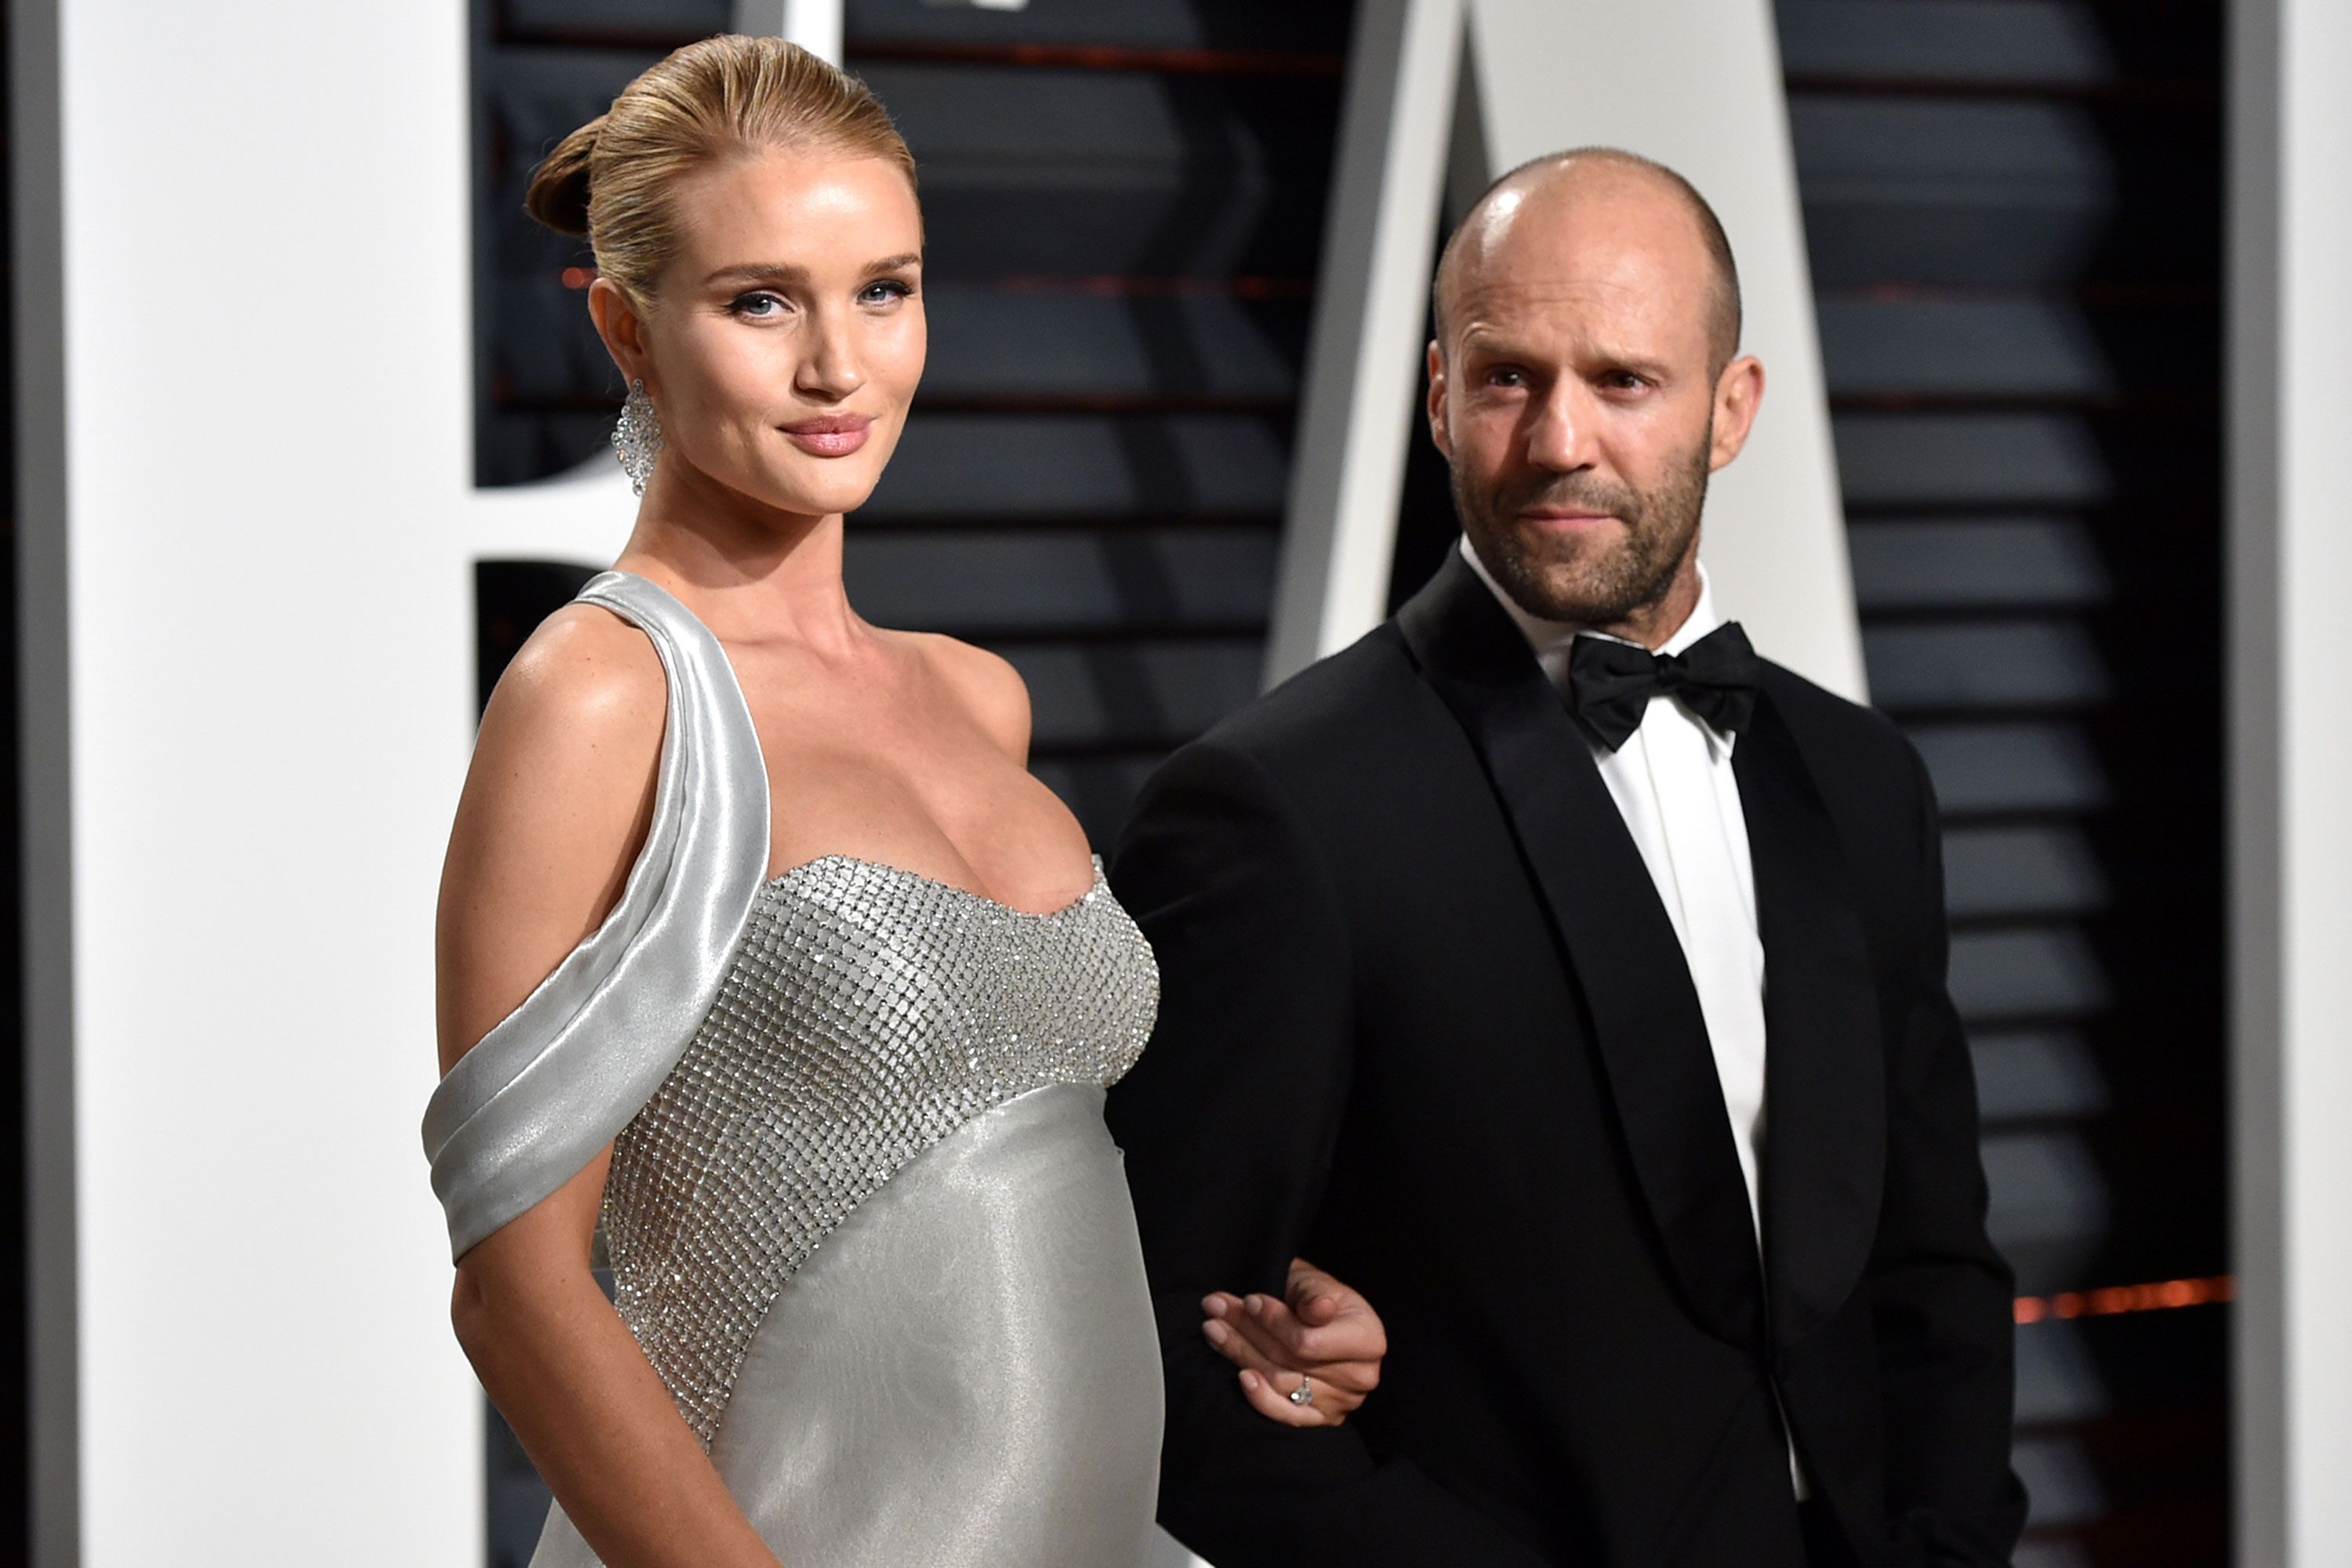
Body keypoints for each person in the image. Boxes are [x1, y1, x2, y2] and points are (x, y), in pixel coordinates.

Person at [421, 37, 1383, 1568]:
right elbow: (515, 1288)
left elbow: (1012, 1186)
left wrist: (1259, 1319)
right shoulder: (605, 695)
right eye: (760, 301)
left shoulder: (975, 695)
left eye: (884, 287)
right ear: (627, 330)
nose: (839, 365)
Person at [1105, 148, 2028, 1566]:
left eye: (1625, 381)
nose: (1558, 441)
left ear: (1732, 411)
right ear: (1437, 397)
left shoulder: (1864, 783)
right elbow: (1169, 1365)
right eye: (1506, 378)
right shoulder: (1274, 811)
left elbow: (1936, 1275)